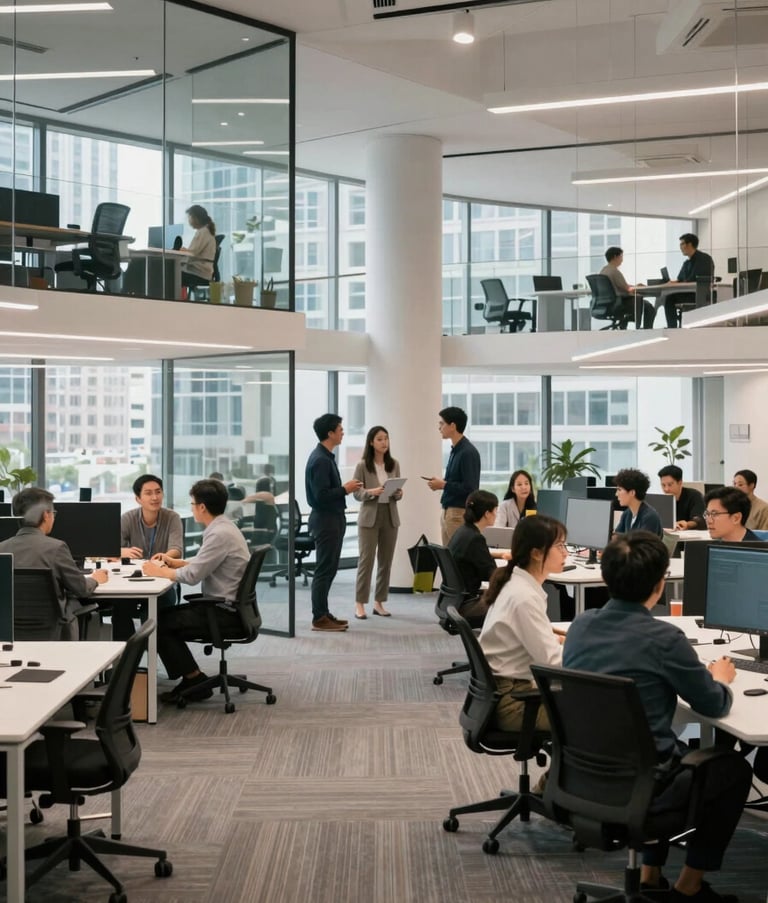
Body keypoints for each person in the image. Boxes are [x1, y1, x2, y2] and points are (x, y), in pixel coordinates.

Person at [563, 532, 751, 903]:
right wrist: (720, 678)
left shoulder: (580, 626)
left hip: (582, 777)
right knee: (731, 769)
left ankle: (650, 876)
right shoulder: (663, 639)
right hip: (646, 786)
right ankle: (689, 886)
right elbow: (713, 704)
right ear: (660, 583)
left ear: (605, 578)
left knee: (662, 748)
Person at [143, 479, 250, 702]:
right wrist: (178, 563)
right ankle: (193, 676)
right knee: (160, 617)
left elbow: (192, 577)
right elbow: (205, 561)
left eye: (192, 504)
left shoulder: (218, 534)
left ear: (202, 507)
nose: (192, 508)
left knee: (156, 622)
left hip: (223, 612)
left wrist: (159, 571)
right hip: (233, 608)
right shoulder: (225, 527)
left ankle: (194, 680)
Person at [479, 515, 567, 732]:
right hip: (515, 704)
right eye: (559, 546)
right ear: (536, 553)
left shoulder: (517, 584)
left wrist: (558, 639)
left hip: (509, 692)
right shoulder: (523, 597)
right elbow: (552, 662)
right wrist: (589, 653)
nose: (565, 553)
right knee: (605, 714)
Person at [0, 487, 108, 639]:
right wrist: (95, 579)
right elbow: (81, 589)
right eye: (53, 513)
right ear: (46, 515)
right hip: (52, 633)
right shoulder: (56, 548)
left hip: (9, 634)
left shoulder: (1, 549)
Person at [305, 413, 362, 632]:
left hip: (331, 518)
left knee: (328, 569)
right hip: (326, 520)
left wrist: (343, 490)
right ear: (330, 433)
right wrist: (345, 489)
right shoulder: (320, 459)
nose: (343, 432)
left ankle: (323, 612)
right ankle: (319, 618)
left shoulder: (325, 456)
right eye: (340, 429)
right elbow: (321, 496)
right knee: (324, 569)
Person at [113, 474, 183, 640]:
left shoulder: (172, 518)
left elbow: (177, 549)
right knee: (119, 610)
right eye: (148, 493)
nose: (154, 497)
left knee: (150, 616)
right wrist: (122, 551)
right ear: (138, 498)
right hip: (131, 583)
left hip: (162, 584)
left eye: (158, 492)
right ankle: (128, 660)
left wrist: (164, 557)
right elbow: (109, 548)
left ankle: (150, 658)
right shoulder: (128, 518)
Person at [352, 425, 402, 620]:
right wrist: (370, 493)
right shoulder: (362, 465)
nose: (384, 443)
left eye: (386, 439)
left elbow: (396, 491)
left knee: (385, 561)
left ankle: (379, 602)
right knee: (366, 561)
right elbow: (356, 493)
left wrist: (399, 493)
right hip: (369, 516)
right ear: (371, 442)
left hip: (390, 515)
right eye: (380, 439)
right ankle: (359, 603)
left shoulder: (394, 464)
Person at [448, 490, 510, 623]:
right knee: (513, 600)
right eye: (495, 511)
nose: (496, 515)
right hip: (467, 606)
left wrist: (496, 554)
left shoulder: (462, 532)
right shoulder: (476, 539)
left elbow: (472, 556)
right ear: (487, 514)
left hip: (454, 602)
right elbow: (492, 576)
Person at [426, 406, 481, 545]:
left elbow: (470, 488)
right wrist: (442, 484)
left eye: (442, 423)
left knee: (457, 559)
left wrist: (443, 485)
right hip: (448, 511)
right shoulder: (456, 450)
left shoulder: (467, 452)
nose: (439, 427)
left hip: (458, 513)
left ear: (452, 426)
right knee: (449, 558)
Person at [664, 233, 714, 328]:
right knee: (668, 297)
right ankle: (673, 327)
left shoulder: (704, 259)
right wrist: (671, 282)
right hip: (689, 292)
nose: (680, 247)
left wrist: (679, 282)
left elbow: (694, 279)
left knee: (669, 299)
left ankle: (672, 328)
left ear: (689, 244)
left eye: (682, 244)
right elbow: (680, 280)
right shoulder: (687, 263)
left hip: (698, 295)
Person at [599, 246, 655, 329]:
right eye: (621, 256)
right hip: (619, 303)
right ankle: (647, 331)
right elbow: (627, 289)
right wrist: (637, 287)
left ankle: (623, 324)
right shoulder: (614, 271)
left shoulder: (603, 270)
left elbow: (620, 286)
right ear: (615, 257)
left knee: (641, 304)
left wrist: (634, 286)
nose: (622, 259)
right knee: (648, 307)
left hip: (608, 304)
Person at [613, 468, 663, 537]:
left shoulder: (650, 517)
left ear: (632, 492)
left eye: (619, 490)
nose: (616, 494)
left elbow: (643, 546)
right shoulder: (627, 514)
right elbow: (616, 538)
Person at [180, 204, 217, 293]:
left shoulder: (203, 232)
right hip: (204, 273)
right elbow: (194, 252)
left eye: (189, 217)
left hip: (199, 273)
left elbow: (192, 254)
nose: (188, 220)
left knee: (170, 275)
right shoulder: (206, 230)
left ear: (195, 218)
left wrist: (182, 251)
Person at [657, 464, 705, 530]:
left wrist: (687, 524)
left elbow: (699, 520)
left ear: (680, 483)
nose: (666, 489)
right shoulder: (662, 500)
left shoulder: (694, 496)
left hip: (689, 536)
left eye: (670, 485)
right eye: (663, 485)